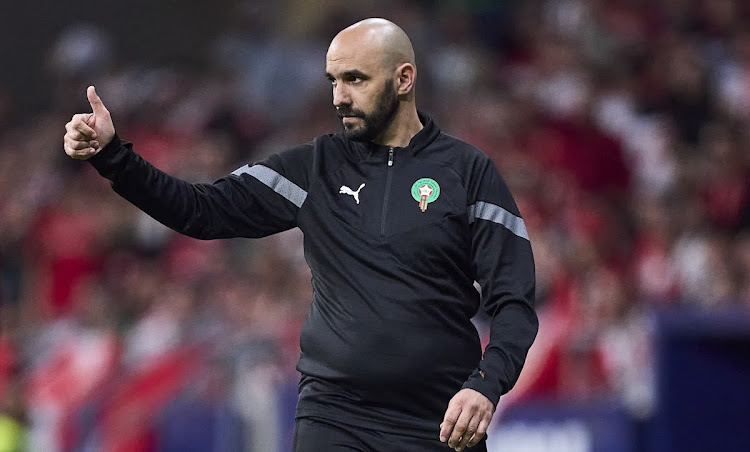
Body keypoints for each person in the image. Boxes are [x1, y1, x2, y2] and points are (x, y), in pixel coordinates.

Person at [63, 18, 538, 452]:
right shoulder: (314, 168)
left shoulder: (468, 171)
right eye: (334, 80)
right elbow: (200, 211)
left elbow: (515, 300)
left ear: (404, 78)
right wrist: (114, 158)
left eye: (355, 79)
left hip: (440, 422)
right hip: (334, 417)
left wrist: (485, 383)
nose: (338, 97)